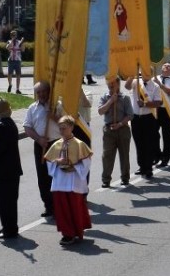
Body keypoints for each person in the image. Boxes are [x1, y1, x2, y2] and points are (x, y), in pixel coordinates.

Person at [45, 115, 93, 246]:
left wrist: (75, 167)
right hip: (60, 181)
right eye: (60, 128)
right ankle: (67, 233)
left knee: (74, 208)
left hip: (73, 181)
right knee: (62, 209)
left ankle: (77, 230)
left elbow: (87, 162)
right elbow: (49, 163)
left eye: (64, 128)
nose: (61, 131)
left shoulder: (79, 144)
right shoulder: (56, 144)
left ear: (71, 127)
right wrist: (57, 162)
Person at [23, 81, 64, 217]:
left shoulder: (57, 106)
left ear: (48, 91)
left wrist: (53, 116)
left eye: (43, 91)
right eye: (38, 92)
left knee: (57, 176)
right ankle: (48, 205)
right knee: (43, 177)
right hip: (41, 145)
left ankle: (59, 205)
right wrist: (39, 139)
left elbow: (68, 124)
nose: (41, 94)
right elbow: (27, 127)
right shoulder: (32, 108)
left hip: (56, 144)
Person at [0, 99, 22, 240]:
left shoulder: (2, 126)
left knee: (5, 201)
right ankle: (9, 226)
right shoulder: (10, 123)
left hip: (5, 171)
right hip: (12, 170)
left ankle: (9, 229)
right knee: (10, 201)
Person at [97, 76, 134, 188]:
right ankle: (106, 179)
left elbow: (130, 115)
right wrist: (110, 101)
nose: (111, 85)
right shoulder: (104, 97)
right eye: (109, 83)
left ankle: (125, 178)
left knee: (124, 155)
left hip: (122, 129)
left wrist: (120, 124)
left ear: (118, 84)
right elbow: (100, 111)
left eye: (113, 83)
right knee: (107, 155)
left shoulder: (125, 98)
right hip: (109, 130)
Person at [126, 74, 161, 179]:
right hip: (136, 117)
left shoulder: (155, 86)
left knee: (148, 143)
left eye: (146, 72)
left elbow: (158, 102)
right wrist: (131, 74)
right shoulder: (136, 82)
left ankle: (149, 168)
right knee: (138, 142)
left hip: (148, 117)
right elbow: (127, 86)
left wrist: (145, 104)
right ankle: (141, 166)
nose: (144, 75)